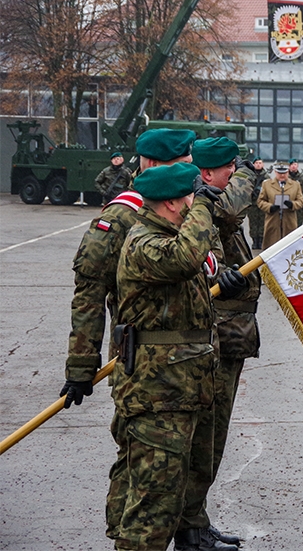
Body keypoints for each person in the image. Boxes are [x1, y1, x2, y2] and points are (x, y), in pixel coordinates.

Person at [59, 128, 198, 543]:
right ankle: (128, 536)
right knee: (142, 461)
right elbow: (89, 290)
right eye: (182, 164)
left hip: (182, 363)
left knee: (162, 465)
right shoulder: (122, 216)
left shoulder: (180, 210)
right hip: (143, 361)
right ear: (155, 165)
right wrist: (81, 364)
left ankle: (161, 531)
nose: (191, 172)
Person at [108, 161, 228, 551]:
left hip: (180, 388)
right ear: (175, 204)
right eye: (191, 199)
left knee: (172, 493)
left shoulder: (168, 236)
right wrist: (204, 210)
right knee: (152, 508)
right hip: (157, 396)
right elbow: (185, 258)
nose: (196, 205)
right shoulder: (145, 242)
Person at [174, 137, 260, 550]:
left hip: (229, 334)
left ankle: (196, 519)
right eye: (229, 168)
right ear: (207, 174)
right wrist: (245, 173)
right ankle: (189, 526)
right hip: (214, 338)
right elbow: (234, 202)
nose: (236, 174)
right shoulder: (204, 206)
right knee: (206, 438)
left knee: (213, 438)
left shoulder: (211, 204)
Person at [257, 163, 303, 250]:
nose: (282, 175)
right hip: (273, 221)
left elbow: (301, 201)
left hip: (289, 221)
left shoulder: (295, 185)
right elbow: (260, 201)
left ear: (288, 172)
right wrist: (270, 207)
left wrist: (292, 205)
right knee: (272, 249)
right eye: (279, 173)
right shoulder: (267, 184)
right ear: (275, 172)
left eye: (284, 173)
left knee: (290, 249)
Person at [248, 157, 267, 249]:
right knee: (253, 223)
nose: (258, 164)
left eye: (260, 163)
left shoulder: (266, 177)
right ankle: (255, 241)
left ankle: (261, 240)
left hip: (262, 203)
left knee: (262, 222)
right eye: (256, 163)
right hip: (252, 203)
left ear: (262, 164)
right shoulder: (250, 176)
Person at [287, 158, 303, 224]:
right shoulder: (285, 177)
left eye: (295, 164)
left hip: (299, 206)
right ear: (289, 166)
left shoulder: (302, 178)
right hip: (287, 206)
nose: (293, 166)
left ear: (297, 166)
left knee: (299, 225)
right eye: (291, 164)